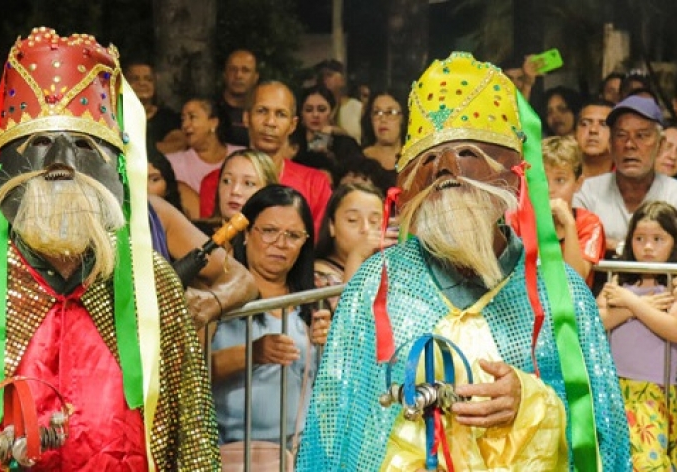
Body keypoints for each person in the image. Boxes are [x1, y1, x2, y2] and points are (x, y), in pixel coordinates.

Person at [0, 27, 220, 470]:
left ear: (115, 168)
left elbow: (188, 448)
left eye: (86, 146)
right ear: (6, 163)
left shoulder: (153, 287)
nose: (62, 164)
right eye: (39, 144)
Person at [296, 52, 630, 471]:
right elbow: (338, 427)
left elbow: (604, 432)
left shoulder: (561, 293)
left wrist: (531, 402)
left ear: (512, 176)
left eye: (467, 154)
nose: (445, 170)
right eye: (428, 162)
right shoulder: (377, 285)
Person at [211, 184, 330, 446]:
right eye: (269, 231)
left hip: (299, 453)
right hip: (233, 452)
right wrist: (252, 353)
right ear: (245, 233)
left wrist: (329, 347)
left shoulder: (312, 303)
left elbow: (329, 386)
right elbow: (190, 372)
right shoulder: (215, 297)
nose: (280, 244)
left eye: (293, 235)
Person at [598, 201, 677, 470]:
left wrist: (632, 303)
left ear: (674, 242)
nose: (648, 247)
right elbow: (595, 322)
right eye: (640, 239)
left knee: (647, 462)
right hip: (614, 387)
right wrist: (636, 308)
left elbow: (676, 329)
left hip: (653, 391)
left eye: (658, 239)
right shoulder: (619, 279)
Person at [574, 95, 677, 258]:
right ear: (611, 144)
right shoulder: (585, 192)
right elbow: (574, 242)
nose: (630, 145)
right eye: (621, 135)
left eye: (641, 135)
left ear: (660, 144)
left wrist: (607, 243)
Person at [199, 81, 332, 235]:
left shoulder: (315, 184)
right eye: (262, 111)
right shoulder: (215, 182)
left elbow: (316, 248)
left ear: (292, 125)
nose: (270, 122)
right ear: (246, 118)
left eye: (281, 114)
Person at [508, 136, 605, 286]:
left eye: (560, 180)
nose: (550, 189)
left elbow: (576, 280)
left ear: (578, 183)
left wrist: (569, 224)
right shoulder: (516, 219)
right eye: (542, 180)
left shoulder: (589, 223)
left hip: (575, 307)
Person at [313, 183, 397, 311]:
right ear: (331, 226)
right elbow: (347, 317)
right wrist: (357, 255)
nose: (366, 229)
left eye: (374, 221)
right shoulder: (317, 276)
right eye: (353, 220)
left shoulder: (387, 267)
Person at [165, 97, 242, 200]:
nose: (185, 125)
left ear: (213, 122)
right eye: (183, 119)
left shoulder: (241, 156)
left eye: (192, 117)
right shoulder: (172, 163)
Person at [196, 148, 278, 237]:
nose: (235, 191)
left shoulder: (277, 242)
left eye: (248, 183)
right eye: (227, 181)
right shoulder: (195, 233)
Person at [291, 85, 363, 170]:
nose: (315, 115)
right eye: (309, 110)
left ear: (332, 112)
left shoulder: (346, 144)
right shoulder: (292, 142)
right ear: (301, 114)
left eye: (321, 110)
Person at [122, 59, 185, 154]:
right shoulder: (116, 115)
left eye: (148, 79)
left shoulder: (168, 117)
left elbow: (179, 144)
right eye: (135, 79)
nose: (142, 83)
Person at [215, 49, 259, 147]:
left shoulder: (263, 112)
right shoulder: (210, 109)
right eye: (233, 69)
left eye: (245, 70)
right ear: (225, 75)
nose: (238, 75)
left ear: (255, 77)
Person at [315, 59, 363, 143]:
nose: (325, 80)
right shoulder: (317, 108)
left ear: (342, 80)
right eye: (323, 76)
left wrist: (338, 131)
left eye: (329, 75)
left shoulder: (356, 107)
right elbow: (317, 145)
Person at [360, 89, 407, 173]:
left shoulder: (415, 161)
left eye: (390, 112)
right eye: (377, 112)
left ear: (403, 118)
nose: (383, 119)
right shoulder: (359, 160)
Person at [574, 98, 615, 180]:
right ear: (574, 132)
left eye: (603, 124)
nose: (593, 130)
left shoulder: (628, 177)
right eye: (585, 124)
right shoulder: (555, 171)